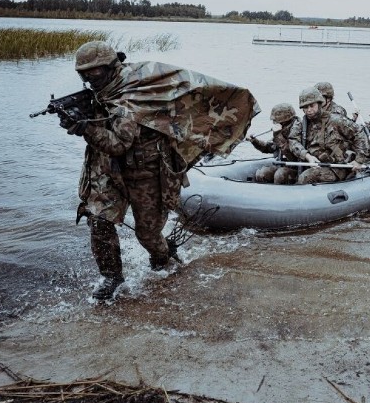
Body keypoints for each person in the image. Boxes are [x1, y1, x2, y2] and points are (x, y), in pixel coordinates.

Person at [61, 41, 257, 300]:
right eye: (83, 74)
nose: (89, 79)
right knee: (99, 220)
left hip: (147, 174)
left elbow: (119, 143)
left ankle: (163, 257)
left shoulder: (133, 93)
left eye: (94, 73)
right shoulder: (105, 90)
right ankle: (111, 276)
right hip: (108, 171)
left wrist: (85, 128)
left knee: (148, 234)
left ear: (110, 67)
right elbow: (105, 134)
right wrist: (79, 119)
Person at [288, 87, 368, 185]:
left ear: (319, 103)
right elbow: (293, 140)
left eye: (312, 106)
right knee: (283, 175)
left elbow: (359, 132)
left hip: (335, 168)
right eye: (305, 107)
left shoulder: (335, 120)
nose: (309, 110)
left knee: (305, 177)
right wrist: (307, 156)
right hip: (311, 164)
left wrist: (359, 160)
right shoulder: (301, 124)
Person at [248, 103, 299, 185]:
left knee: (280, 175)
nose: (274, 123)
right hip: (283, 165)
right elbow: (268, 147)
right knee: (262, 173)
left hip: (298, 168)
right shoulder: (281, 132)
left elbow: (293, 155)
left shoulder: (297, 131)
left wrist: (278, 135)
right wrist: (254, 141)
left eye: (276, 121)